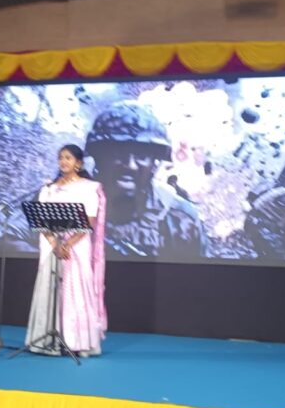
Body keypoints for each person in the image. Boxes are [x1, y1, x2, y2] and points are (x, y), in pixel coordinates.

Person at [85, 102, 207, 259]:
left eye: (141, 156)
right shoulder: (72, 207)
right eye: (118, 154)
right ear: (99, 157)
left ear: (154, 164)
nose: (130, 165)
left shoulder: (180, 219)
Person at [25, 144, 107, 357]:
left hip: (76, 246)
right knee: (50, 287)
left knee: (74, 290)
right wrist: (55, 243)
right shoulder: (48, 189)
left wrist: (67, 244)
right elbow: (40, 220)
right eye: (61, 157)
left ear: (78, 163)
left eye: (68, 158)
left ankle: (76, 341)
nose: (63, 161)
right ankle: (48, 340)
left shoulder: (89, 188)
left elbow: (89, 222)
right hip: (52, 246)